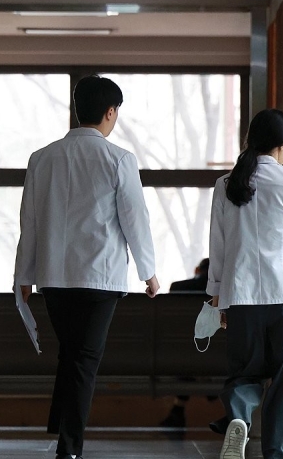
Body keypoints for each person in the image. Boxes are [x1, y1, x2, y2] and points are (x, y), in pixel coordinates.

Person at [14, 75, 160, 459]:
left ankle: (61, 429)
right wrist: (148, 271)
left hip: (53, 276)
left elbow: (29, 220)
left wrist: (24, 275)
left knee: (71, 354)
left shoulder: (42, 158)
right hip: (100, 276)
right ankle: (69, 447)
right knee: (84, 360)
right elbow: (135, 219)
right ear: (110, 112)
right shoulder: (120, 159)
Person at [206, 109, 283, 459]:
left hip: (242, 296)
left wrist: (217, 296)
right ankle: (276, 453)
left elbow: (218, 245)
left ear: (251, 140)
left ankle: (239, 415)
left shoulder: (226, 184)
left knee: (245, 371)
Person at [158, 257, 211, 429]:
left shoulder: (178, 288)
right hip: (217, 357)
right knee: (198, 353)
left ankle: (178, 410)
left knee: (186, 352)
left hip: (182, 355)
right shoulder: (226, 292)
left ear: (197, 270)